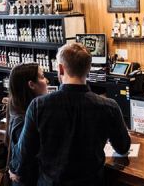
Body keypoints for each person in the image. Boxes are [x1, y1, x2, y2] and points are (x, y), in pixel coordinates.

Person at [12, 43, 131, 185]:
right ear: (88, 69)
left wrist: (14, 170)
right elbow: (123, 147)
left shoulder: (38, 106)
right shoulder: (109, 106)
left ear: (61, 68)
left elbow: (24, 155)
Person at [7, 63, 49, 185]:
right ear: (31, 85)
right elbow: (25, 157)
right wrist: (14, 168)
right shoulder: (22, 120)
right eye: (41, 77)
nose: (46, 80)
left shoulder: (21, 111)